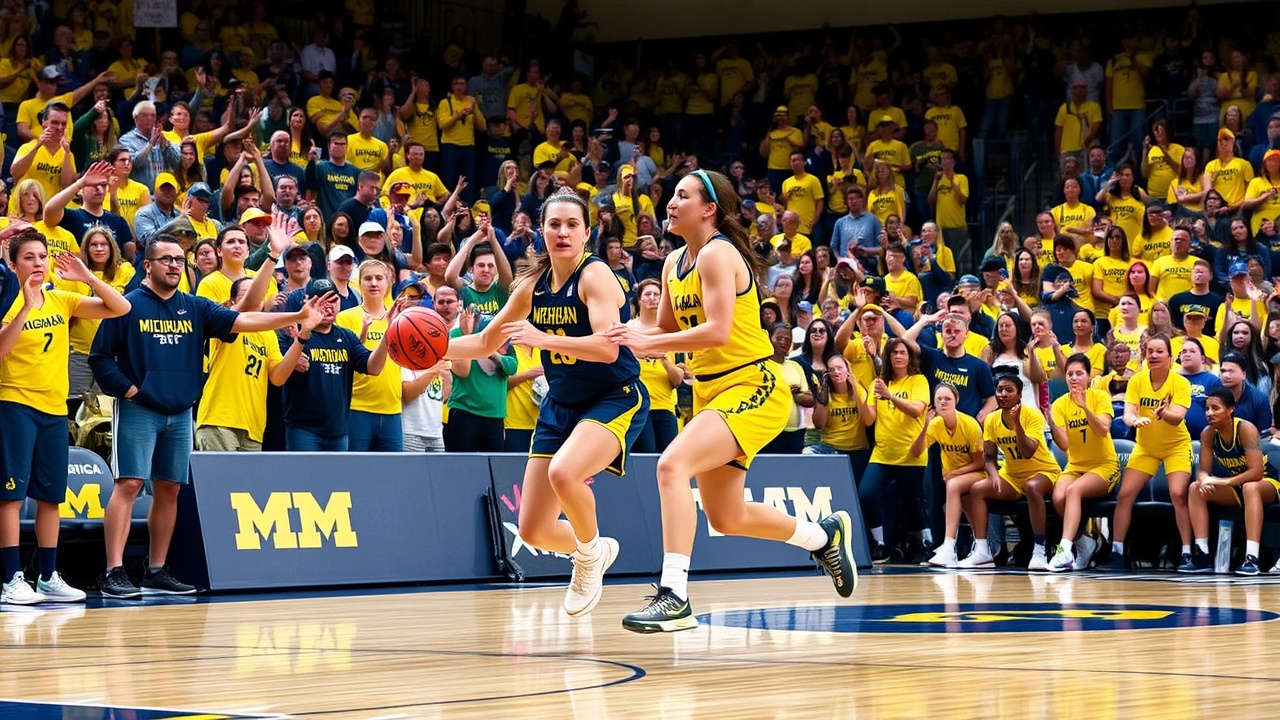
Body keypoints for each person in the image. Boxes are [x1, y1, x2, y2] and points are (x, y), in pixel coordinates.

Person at [607, 169, 856, 633]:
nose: (670, 202)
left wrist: (649, 344)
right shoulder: (673, 261)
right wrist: (620, 334)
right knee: (726, 515)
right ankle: (822, 537)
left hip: (752, 385)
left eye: (682, 195)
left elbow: (718, 331)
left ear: (709, 209)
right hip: (709, 392)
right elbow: (664, 328)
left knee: (671, 466)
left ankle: (674, 595)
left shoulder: (718, 253)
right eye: (672, 195)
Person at [446, 187, 647, 617]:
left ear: (587, 233)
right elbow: (484, 342)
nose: (563, 232)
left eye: (572, 224)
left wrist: (543, 339)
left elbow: (608, 348)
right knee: (533, 530)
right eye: (554, 224)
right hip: (561, 404)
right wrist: (432, 351)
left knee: (564, 472)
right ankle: (593, 548)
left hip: (613, 396)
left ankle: (588, 559)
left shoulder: (595, 275)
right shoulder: (531, 287)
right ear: (542, 230)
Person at [89, 236, 324, 598]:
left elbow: (245, 318)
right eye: (165, 259)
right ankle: (113, 571)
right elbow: (100, 357)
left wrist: (296, 316)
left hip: (181, 411)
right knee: (130, 484)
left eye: (178, 260)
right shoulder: (128, 305)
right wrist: (130, 390)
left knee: (169, 488)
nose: (174, 265)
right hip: (139, 408)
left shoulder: (195, 307)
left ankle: (156, 570)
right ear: (147, 265)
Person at [0, 228, 130, 604]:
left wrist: (87, 277)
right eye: (29, 258)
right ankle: (11, 580)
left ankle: (47, 577)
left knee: (50, 498)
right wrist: (26, 306)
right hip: (14, 405)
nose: (38, 263)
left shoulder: (62, 299)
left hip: (55, 410)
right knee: (10, 497)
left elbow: (120, 308)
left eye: (42, 256)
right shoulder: (6, 301)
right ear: (13, 265)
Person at [1100, 335, 1194, 571]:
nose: (1153, 355)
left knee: (1178, 494)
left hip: (1176, 446)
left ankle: (1187, 553)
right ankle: (1116, 552)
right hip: (1145, 447)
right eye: (1149, 351)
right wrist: (1134, 421)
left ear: (1170, 357)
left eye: (1159, 351)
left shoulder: (1180, 383)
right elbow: (1128, 413)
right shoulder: (1137, 380)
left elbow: (1178, 417)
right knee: (1125, 494)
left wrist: (1163, 413)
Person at [959, 374, 1062, 569]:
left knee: (1032, 487)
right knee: (977, 489)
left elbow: (1028, 451)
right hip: (1013, 476)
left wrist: (1017, 426)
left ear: (1020, 395)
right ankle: (982, 551)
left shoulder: (1032, 415)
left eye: (1009, 390)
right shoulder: (991, 419)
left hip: (1043, 471)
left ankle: (1039, 551)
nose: (1003, 394)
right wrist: (994, 475)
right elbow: (989, 457)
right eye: (1000, 390)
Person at [1182, 388, 1278, 575]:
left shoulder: (1245, 429)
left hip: (1267, 482)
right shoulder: (1208, 433)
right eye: (1207, 408)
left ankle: (1252, 558)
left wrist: (1224, 482)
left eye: (1215, 408)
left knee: (1250, 487)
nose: (1209, 413)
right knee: (1195, 488)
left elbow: (1256, 472)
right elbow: (1203, 470)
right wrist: (1204, 480)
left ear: (1231, 409)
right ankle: (1202, 554)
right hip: (1237, 485)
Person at [1045, 353, 1120, 572]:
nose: (1074, 378)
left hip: (1104, 465)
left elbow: (1103, 429)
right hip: (1076, 466)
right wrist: (1051, 423)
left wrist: (1085, 407)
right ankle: (1084, 543)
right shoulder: (1060, 404)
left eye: (1079, 373)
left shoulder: (1100, 397)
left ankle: (1064, 549)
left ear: (1088, 377)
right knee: (1058, 497)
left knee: (1073, 491)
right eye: (1070, 374)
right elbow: (1064, 445)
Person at [909, 383, 985, 568]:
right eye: (939, 399)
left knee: (953, 486)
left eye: (948, 399)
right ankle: (982, 551)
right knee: (963, 503)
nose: (943, 402)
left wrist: (955, 473)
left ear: (956, 401)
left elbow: (980, 463)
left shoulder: (969, 424)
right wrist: (925, 426)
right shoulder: (936, 424)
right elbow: (915, 452)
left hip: (977, 474)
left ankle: (949, 548)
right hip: (954, 477)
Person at [629, 278, 681, 454]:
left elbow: (678, 381)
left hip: (665, 406)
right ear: (639, 300)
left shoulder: (671, 332)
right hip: (638, 405)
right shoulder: (629, 330)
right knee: (646, 455)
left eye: (657, 294)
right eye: (648, 294)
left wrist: (663, 359)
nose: (652, 298)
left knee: (669, 457)